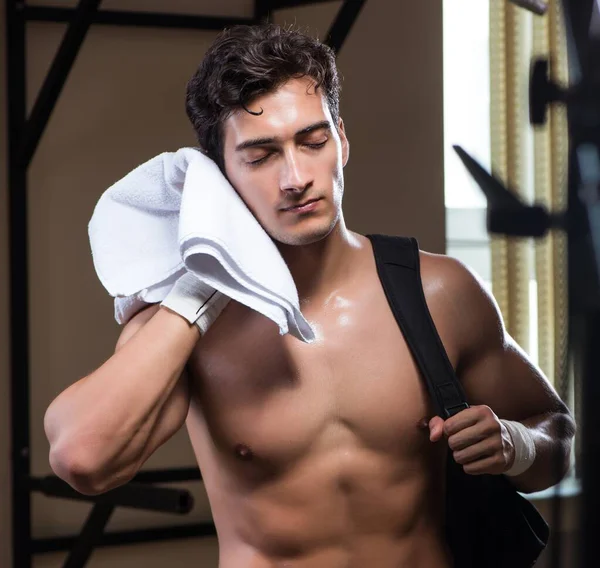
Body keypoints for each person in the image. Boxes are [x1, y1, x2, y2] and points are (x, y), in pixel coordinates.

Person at [45, 23, 576, 567]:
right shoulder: (187, 321)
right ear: (219, 174)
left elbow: (557, 435)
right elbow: (83, 459)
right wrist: (201, 286)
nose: (296, 176)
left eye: (312, 141)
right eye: (260, 155)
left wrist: (515, 444)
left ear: (341, 141)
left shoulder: (438, 290)